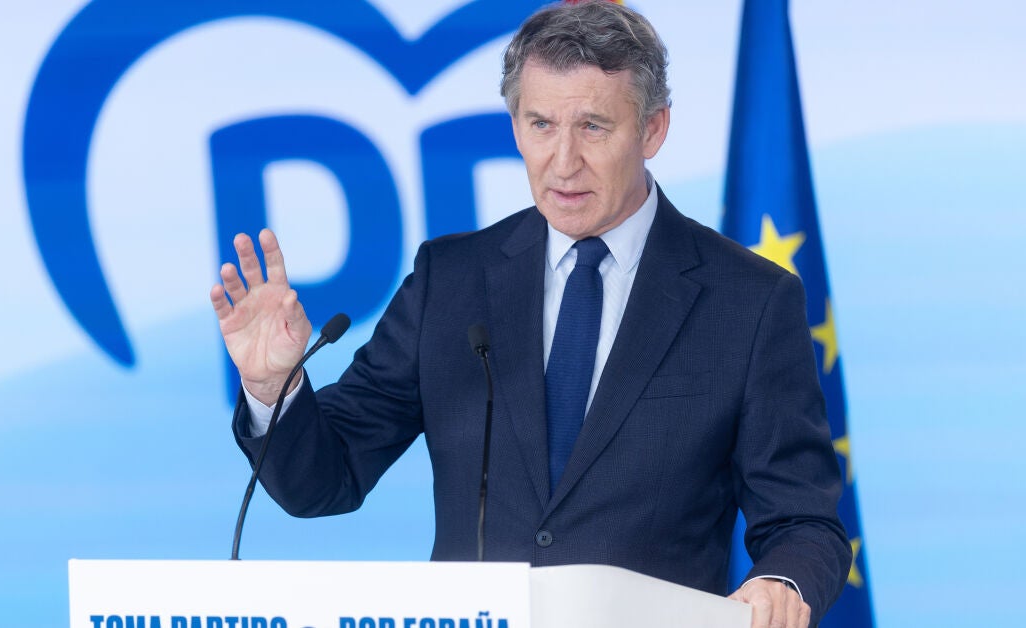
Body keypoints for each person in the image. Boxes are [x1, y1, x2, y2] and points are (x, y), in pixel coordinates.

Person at [209, 2, 850, 626]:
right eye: (541, 124)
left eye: (593, 127)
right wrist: (273, 386)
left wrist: (782, 582)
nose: (563, 162)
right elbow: (325, 480)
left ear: (653, 129)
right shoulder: (450, 281)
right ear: (516, 127)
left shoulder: (749, 300)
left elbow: (805, 522)